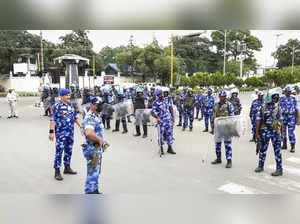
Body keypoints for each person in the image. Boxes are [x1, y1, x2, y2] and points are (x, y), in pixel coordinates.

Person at [49, 89, 83, 181]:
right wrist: (51, 132)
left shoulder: (71, 105)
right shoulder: (56, 106)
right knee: (59, 151)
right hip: (60, 133)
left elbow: (75, 117)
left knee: (69, 150)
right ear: (61, 96)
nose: (68, 97)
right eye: (66, 95)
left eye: (69, 95)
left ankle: (67, 167)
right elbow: (52, 119)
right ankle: (57, 171)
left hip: (70, 133)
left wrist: (81, 126)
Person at [255, 92, 283, 176]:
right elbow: (258, 120)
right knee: (262, 150)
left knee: (278, 151)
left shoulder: (278, 108)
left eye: (276, 98)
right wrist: (257, 133)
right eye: (274, 98)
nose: (275, 100)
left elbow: (281, 121)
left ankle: (279, 169)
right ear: (270, 98)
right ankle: (260, 166)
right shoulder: (263, 108)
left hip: (275, 131)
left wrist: (282, 134)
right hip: (265, 131)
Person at [82, 97, 107, 194]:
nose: (100, 106)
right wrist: (100, 140)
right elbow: (89, 133)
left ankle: (95, 190)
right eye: (98, 104)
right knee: (92, 173)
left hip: (96, 147)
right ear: (92, 105)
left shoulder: (97, 115)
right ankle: (89, 193)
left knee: (95, 172)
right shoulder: (90, 117)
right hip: (93, 148)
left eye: (101, 104)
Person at [211, 91, 235, 168]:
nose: (222, 98)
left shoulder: (229, 105)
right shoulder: (216, 105)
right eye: (221, 96)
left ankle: (229, 160)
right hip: (218, 127)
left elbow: (232, 116)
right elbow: (213, 116)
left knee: (227, 144)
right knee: (217, 144)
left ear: (226, 97)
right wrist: (212, 127)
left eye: (223, 96)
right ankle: (218, 158)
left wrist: (231, 127)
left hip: (226, 127)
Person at [151, 89, 176, 155]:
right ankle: (161, 148)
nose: (161, 95)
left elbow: (170, 108)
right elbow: (152, 112)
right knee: (161, 135)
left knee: (169, 134)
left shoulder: (167, 100)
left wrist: (173, 117)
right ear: (157, 96)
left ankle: (169, 148)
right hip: (161, 121)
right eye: (159, 95)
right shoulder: (155, 102)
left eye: (161, 94)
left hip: (168, 120)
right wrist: (157, 118)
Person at [279, 86, 300, 152]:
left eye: (289, 92)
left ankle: (292, 146)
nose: (288, 93)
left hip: (291, 117)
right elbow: (278, 109)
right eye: (287, 92)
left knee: (291, 133)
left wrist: (298, 119)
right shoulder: (281, 99)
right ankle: (284, 145)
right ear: (285, 92)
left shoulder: (293, 99)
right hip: (283, 117)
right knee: (283, 132)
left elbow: (297, 109)